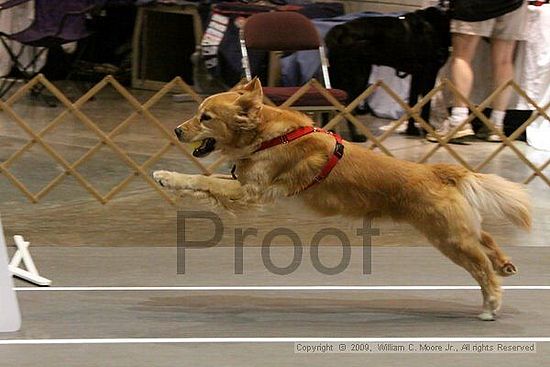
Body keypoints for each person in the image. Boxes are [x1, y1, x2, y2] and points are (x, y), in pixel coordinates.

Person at [427, 1, 528, 143]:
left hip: (474, 4)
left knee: (462, 56)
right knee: (504, 61)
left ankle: (458, 121)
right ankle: (496, 125)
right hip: (514, 4)